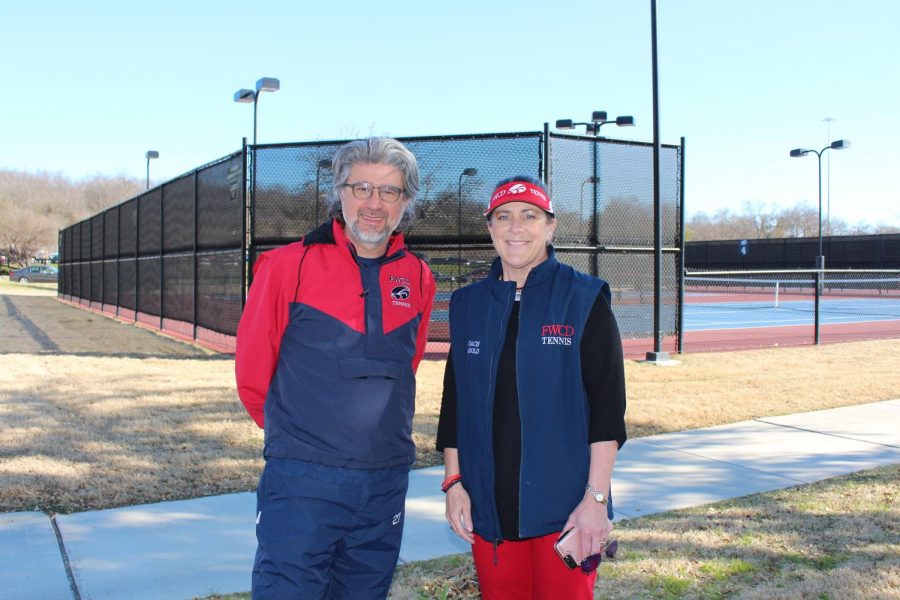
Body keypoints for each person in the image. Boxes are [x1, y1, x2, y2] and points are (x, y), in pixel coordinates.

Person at [235, 137, 436, 599]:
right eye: (361, 188)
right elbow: (252, 372)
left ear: (405, 203)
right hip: (303, 478)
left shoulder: (419, 276)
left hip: (385, 479)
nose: (374, 203)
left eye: (390, 192)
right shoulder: (288, 265)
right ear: (339, 192)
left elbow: (409, 363)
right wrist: (300, 443)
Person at [436, 176, 627, 599]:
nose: (515, 227)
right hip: (489, 512)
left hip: (566, 511)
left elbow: (608, 412)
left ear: (550, 226)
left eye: (529, 216)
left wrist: (595, 500)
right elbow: (456, 404)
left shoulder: (584, 297)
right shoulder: (468, 305)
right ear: (491, 228)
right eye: (503, 217)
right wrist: (454, 484)